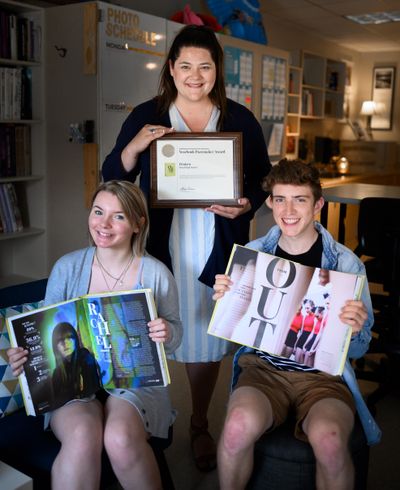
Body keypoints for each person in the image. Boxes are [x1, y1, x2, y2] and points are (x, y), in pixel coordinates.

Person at [102, 24, 271, 471]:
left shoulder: (239, 119)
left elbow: (262, 179)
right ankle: (155, 417)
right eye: (185, 66)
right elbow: (111, 174)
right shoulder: (147, 113)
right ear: (171, 70)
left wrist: (247, 204)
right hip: (160, 243)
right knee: (152, 332)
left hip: (218, 242)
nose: (195, 76)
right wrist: (134, 147)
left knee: (204, 338)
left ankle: (199, 421)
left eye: (205, 66)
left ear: (217, 71)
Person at [213, 159, 381, 490]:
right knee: (234, 429)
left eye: (300, 199)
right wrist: (225, 303)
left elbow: (360, 349)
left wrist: (356, 328)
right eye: (280, 199)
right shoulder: (253, 253)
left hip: (323, 377)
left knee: (330, 441)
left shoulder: (346, 264)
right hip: (264, 370)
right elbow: (234, 334)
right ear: (271, 202)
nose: (288, 210)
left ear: (318, 204)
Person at [8, 180, 182, 490]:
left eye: (118, 216)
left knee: (119, 437)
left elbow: (177, 335)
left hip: (136, 383)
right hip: (71, 382)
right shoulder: (67, 267)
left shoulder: (156, 273)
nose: (103, 224)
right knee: (81, 436)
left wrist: (166, 332)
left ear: (138, 224)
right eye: (98, 211)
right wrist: (26, 354)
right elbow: (44, 329)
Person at [51, 321, 101, 407]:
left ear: (76, 339)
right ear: (55, 346)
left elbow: (93, 390)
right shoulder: (57, 373)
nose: (65, 343)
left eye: (69, 337)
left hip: (92, 403)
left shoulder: (86, 358)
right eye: (60, 340)